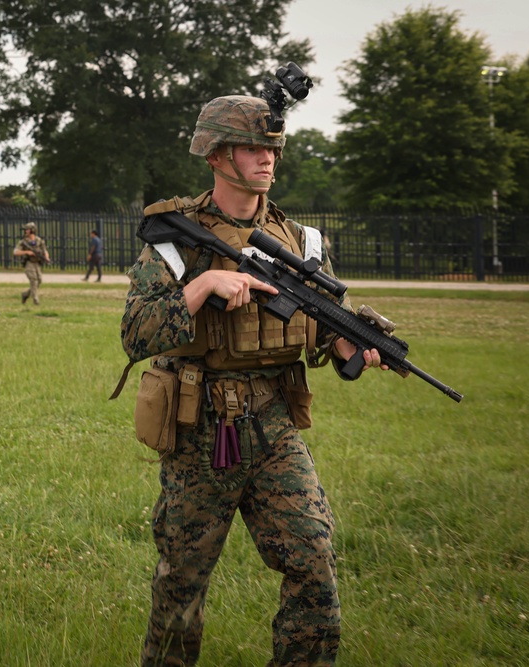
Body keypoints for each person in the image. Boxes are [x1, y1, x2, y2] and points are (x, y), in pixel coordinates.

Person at [121, 95, 385, 667]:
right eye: (253, 147)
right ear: (216, 155)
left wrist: (346, 345)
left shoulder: (302, 242)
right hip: (198, 430)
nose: (268, 158)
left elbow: (316, 328)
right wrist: (202, 285)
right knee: (181, 583)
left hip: (273, 425)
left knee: (313, 560)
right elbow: (135, 333)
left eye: (273, 148)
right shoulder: (174, 237)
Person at [13, 222, 50, 305]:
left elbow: (44, 250)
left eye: (27, 229)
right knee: (33, 280)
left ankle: (25, 294)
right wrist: (27, 252)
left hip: (37, 263)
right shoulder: (23, 241)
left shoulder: (39, 240)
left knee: (39, 280)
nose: (26, 231)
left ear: (32, 230)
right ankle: (36, 299)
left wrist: (46, 257)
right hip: (29, 263)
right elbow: (15, 252)